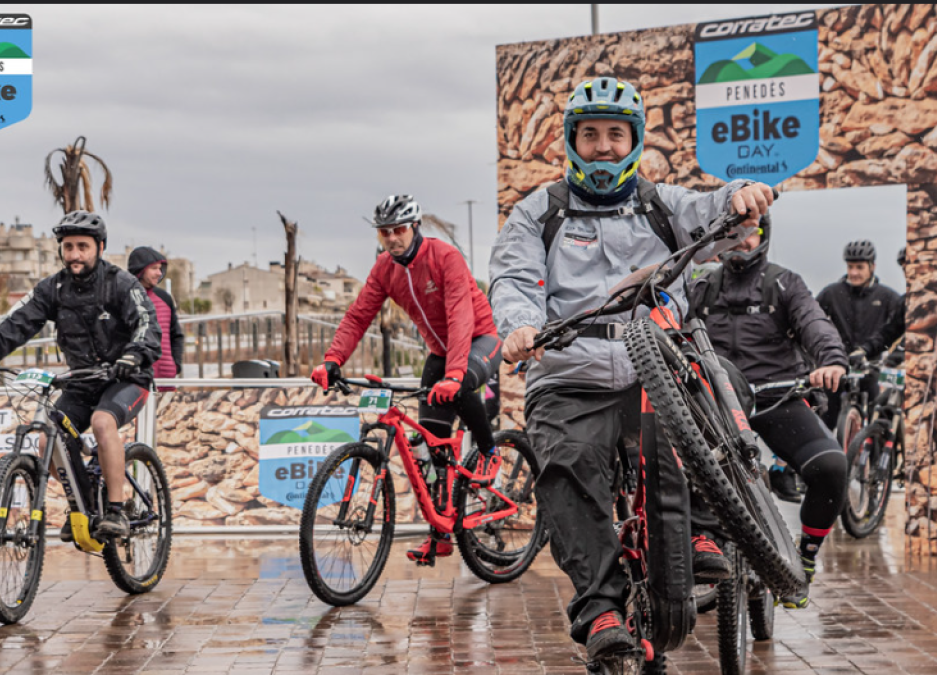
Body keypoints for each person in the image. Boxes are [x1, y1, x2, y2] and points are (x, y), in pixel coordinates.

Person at [490, 76, 775, 663]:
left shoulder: (660, 203)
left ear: (635, 141)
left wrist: (740, 194)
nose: (602, 147)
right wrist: (519, 325)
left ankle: (704, 532)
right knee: (565, 466)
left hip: (658, 363)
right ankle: (600, 611)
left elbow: (713, 213)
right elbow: (515, 279)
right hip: (571, 372)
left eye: (615, 135)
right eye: (588, 134)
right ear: (570, 140)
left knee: (714, 409)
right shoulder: (537, 212)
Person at [311, 195, 502, 563]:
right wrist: (332, 359)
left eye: (398, 229)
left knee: (458, 389)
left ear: (414, 227)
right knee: (431, 443)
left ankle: (490, 451)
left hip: (480, 339)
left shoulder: (444, 256)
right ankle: (441, 532)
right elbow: (357, 316)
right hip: (439, 352)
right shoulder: (385, 268)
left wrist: (456, 372)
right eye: (385, 232)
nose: (392, 237)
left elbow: (461, 315)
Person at [0, 211, 161, 540]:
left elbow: (147, 323)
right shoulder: (53, 288)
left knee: (103, 422)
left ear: (100, 247)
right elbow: (16, 322)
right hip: (81, 382)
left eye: (83, 246)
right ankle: (82, 506)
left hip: (127, 378)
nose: (75, 255)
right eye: (68, 247)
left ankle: (116, 511)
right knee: (47, 437)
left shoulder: (122, 283)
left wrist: (134, 355)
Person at [687, 214, 849, 609]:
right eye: (733, 233)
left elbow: (814, 322)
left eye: (750, 232)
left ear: (764, 234)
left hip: (778, 396)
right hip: (716, 402)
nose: (742, 240)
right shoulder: (701, 286)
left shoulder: (784, 283)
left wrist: (831, 360)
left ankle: (806, 556)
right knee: (674, 469)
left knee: (830, 467)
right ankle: (695, 550)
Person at [815, 240, 901, 429]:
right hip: (838, 365)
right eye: (850, 266)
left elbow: (900, 329)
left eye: (860, 267)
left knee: (876, 420)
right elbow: (811, 322)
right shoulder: (831, 293)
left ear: (872, 267)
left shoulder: (887, 297)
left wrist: (892, 358)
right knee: (826, 421)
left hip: (870, 367)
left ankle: (874, 453)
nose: (854, 272)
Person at [128, 247, 184, 391]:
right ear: (140, 270)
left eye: (160, 268)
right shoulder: (124, 299)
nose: (159, 273)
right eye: (154, 268)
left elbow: (176, 335)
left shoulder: (165, 298)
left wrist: (175, 365)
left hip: (166, 381)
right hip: (135, 382)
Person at [858, 246, 907, 359]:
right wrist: (865, 350)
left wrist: (902, 348)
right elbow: (888, 333)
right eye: (905, 269)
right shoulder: (906, 302)